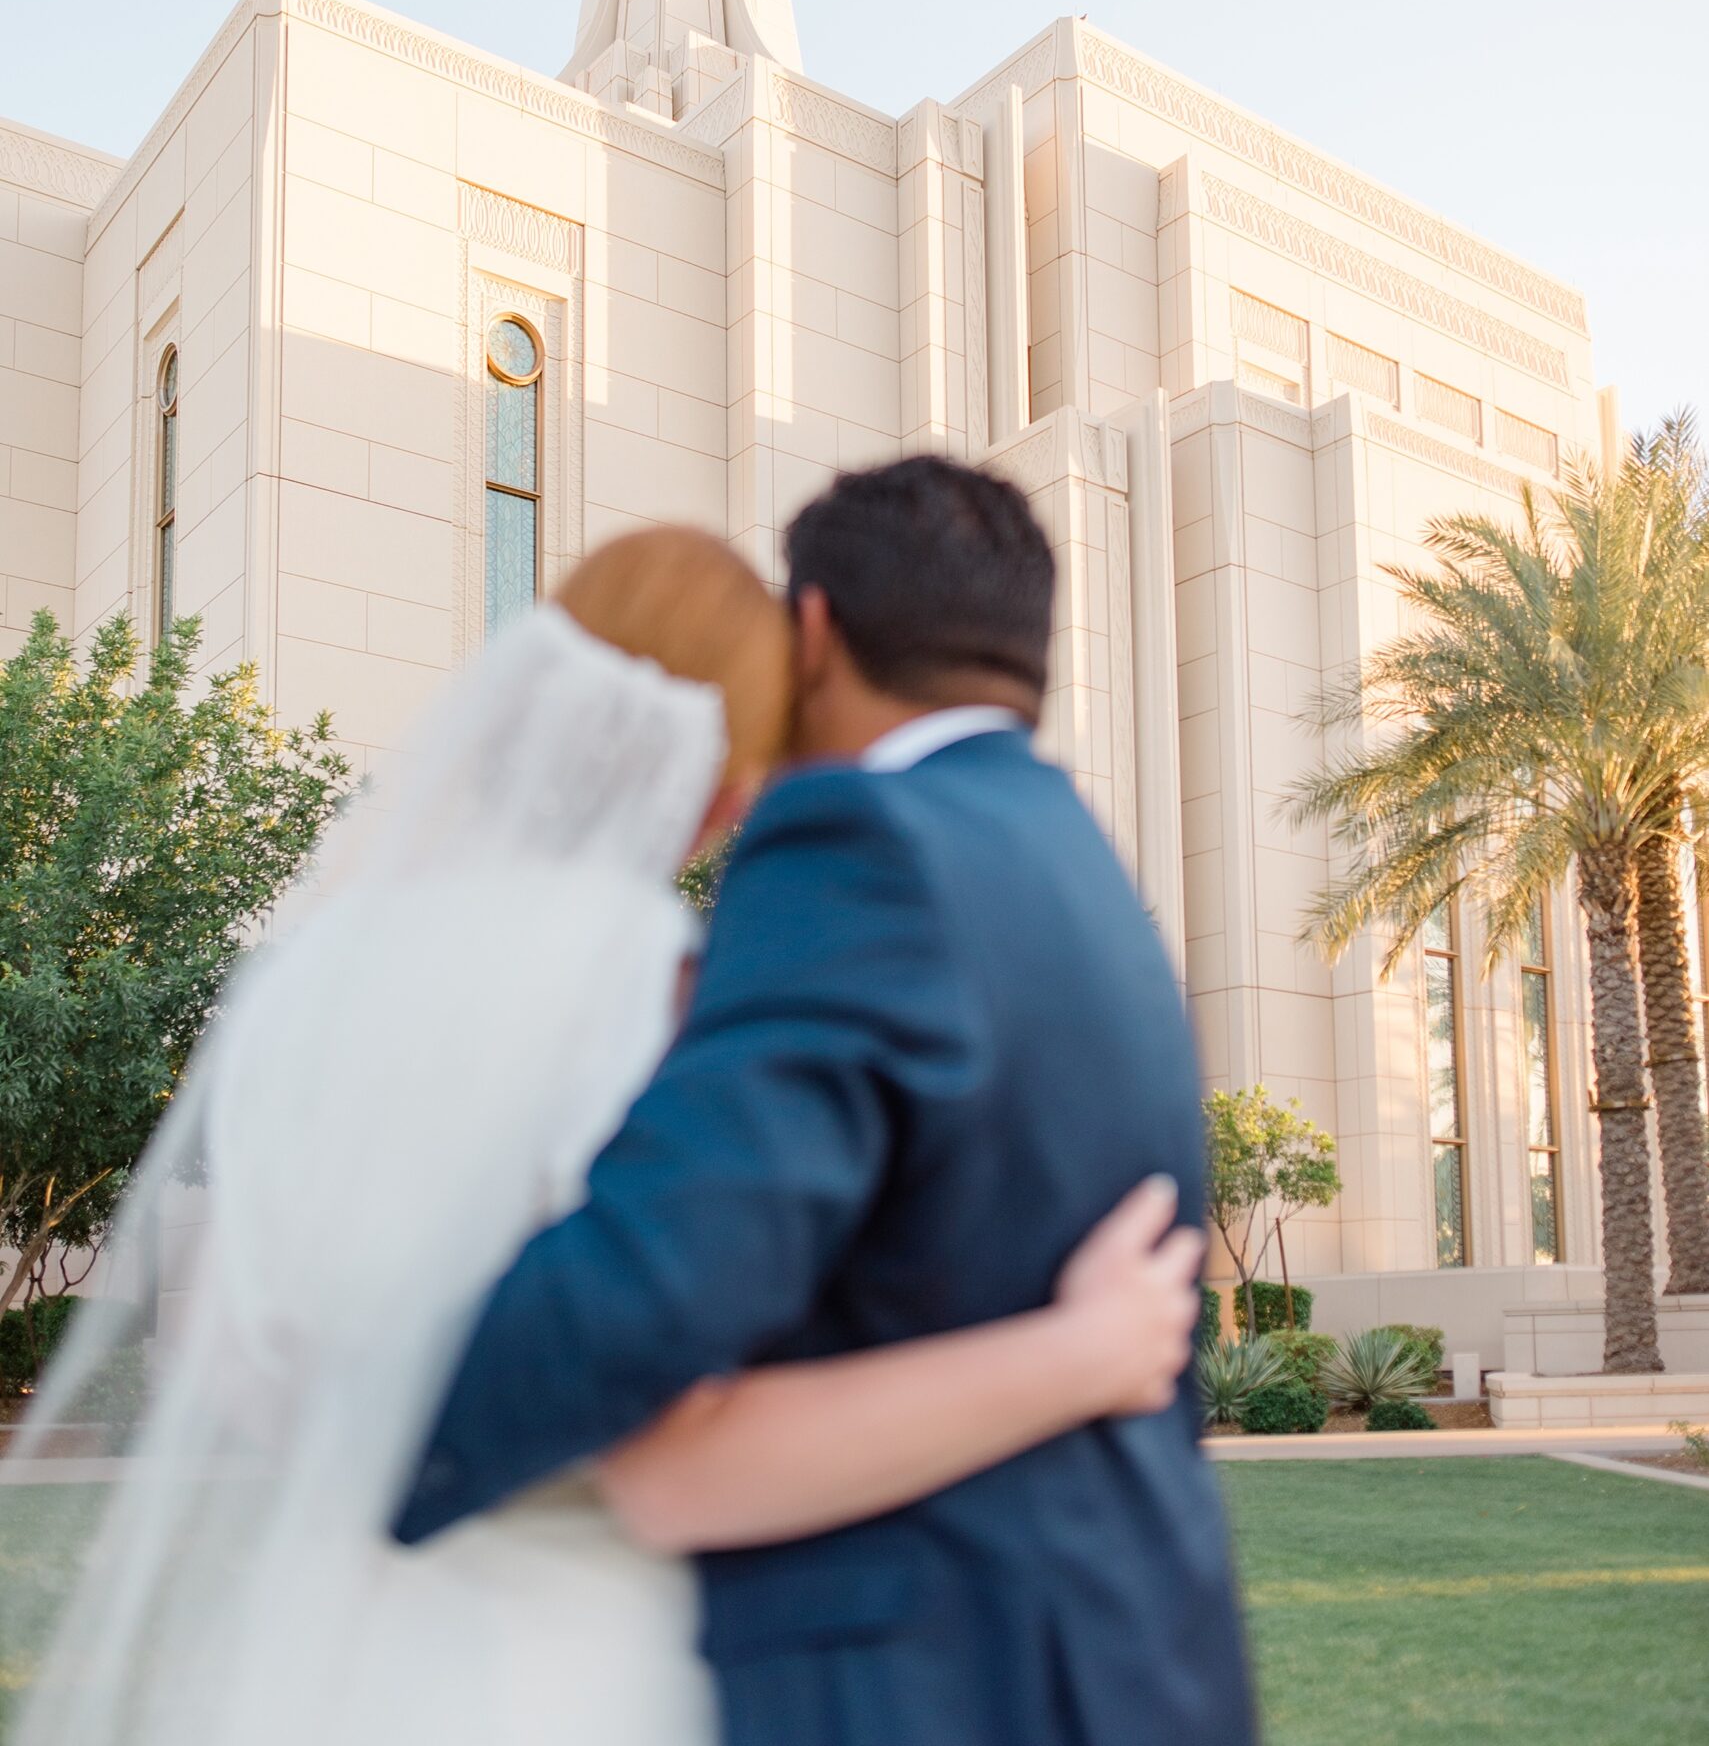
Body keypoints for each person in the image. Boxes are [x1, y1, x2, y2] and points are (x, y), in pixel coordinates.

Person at [0, 523, 1205, 1746]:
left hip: (315, 1655)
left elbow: (244, 1361)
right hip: (576, 1666)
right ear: (732, 766)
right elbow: (669, 1436)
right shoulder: (652, 981)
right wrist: (1082, 1347)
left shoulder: (302, 979)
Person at [396, 462, 1256, 1746]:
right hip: (1139, 1651)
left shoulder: (860, 841)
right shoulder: (1077, 862)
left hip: (928, 1681)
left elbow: (658, 1283)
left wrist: (383, 1428)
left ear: (812, 630)